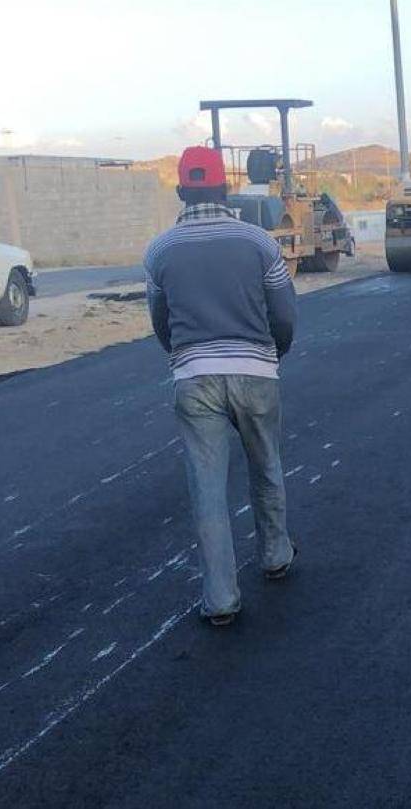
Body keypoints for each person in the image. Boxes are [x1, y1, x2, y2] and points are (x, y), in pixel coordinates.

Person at [143, 146, 298, 626]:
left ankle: (221, 600)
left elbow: (160, 320)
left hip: (195, 378)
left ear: (181, 192)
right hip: (256, 372)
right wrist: (273, 352)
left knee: (207, 488)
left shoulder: (160, 250)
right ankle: (275, 555)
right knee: (266, 464)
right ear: (225, 189)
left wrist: (182, 356)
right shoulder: (259, 242)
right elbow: (284, 315)